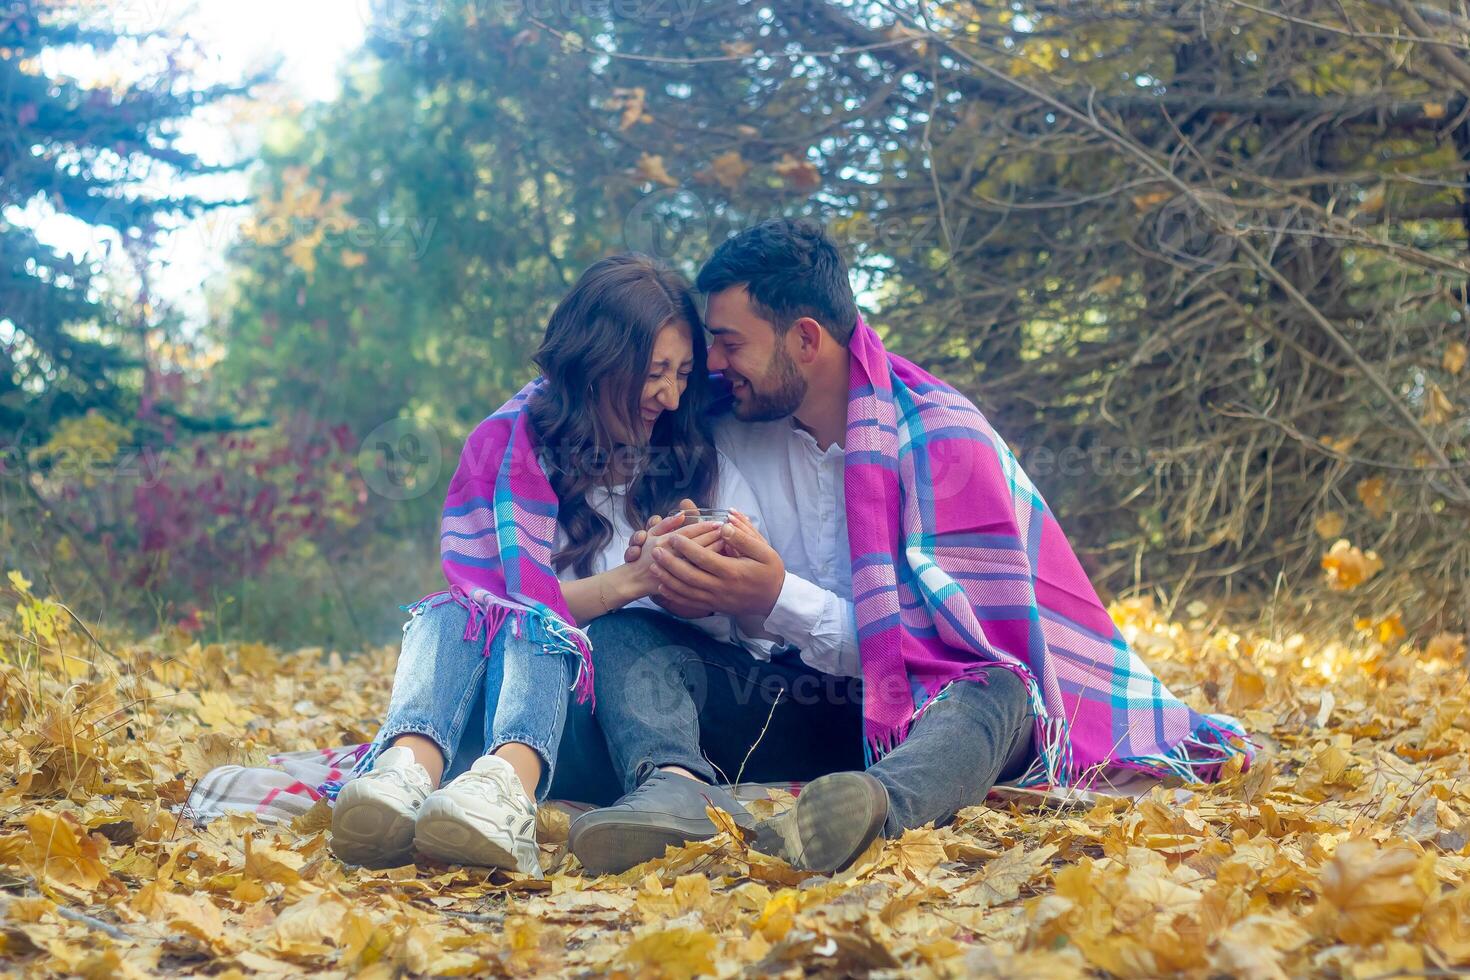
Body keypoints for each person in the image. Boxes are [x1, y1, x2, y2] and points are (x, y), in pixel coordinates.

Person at [567, 220, 1253, 877]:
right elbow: (583, 390)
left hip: (928, 719)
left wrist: (776, 598)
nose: (712, 365)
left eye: (728, 344)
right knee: (631, 631)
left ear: (804, 339)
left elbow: (966, 650)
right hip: (789, 703)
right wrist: (679, 573)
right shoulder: (724, 415)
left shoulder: (941, 438)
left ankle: (872, 809)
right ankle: (670, 788)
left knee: (1000, 688)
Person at [330, 255, 775, 876]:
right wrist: (632, 580)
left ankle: (505, 790)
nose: (669, 396)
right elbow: (498, 606)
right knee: (458, 613)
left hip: (623, 720)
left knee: (531, 622)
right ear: (597, 367)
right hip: (515, 706)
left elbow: (748, 634)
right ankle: (404, 773)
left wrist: (676, 583)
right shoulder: (518, 459)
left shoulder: (705, 470)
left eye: (682, 374)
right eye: (652, 374)